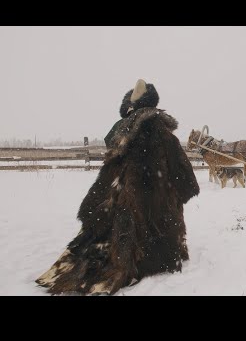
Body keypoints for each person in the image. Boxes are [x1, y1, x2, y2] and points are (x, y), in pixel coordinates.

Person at [36, 79, 200, 295]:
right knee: (156, 230)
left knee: (118, 231)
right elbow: (187, 181)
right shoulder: (164, 134)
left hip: (120, 201)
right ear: (152, 102)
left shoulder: (121, 132)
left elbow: (109, 173)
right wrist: (173, 193)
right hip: (158, 208)